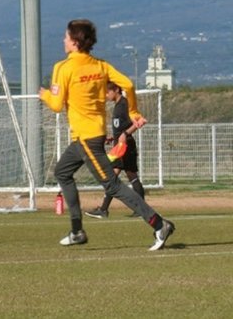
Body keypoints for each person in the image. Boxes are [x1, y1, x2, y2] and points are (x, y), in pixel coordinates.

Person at [39, 19, 174, 251]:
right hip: (91, 137)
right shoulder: (100, 66)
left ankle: (159, 224)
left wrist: (44, 95)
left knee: (112, 186)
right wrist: (133, 110)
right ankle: (76, 230)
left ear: (74, 42)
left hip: (86, 139)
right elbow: (128, 85)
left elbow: (55, 104)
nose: (63, 40)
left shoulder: (63, 68)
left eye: (65, 37)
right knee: (62, 172)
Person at [85, 81, 146, 219]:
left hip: (124, 147)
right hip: (121, 145)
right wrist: (114, 138)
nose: (106, 95)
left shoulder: (125, 104)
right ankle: (142, 209)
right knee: (131, 176)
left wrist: (125, 134)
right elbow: (122, 127)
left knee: (112, 177)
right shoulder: (118, 105)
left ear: (116, 90)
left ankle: (104, 209)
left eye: (107, 92)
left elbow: (140, 121)